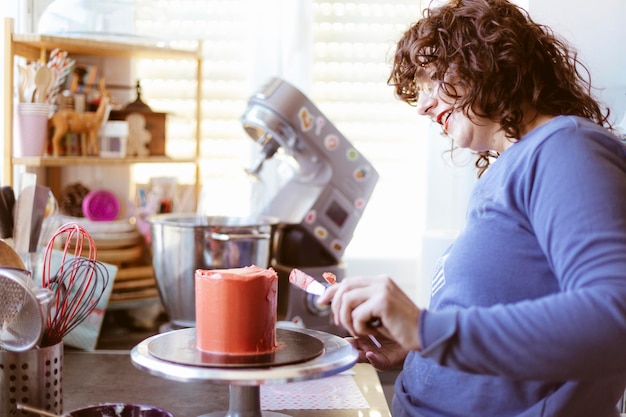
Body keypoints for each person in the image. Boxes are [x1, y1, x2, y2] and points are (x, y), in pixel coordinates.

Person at [317, 0, 626, 416]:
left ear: (485, 60)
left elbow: (613, 319)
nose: (423, 105)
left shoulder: (565, 149)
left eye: (432, 78)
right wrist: (418, 345)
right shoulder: (514, 168)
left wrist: (426, 330)